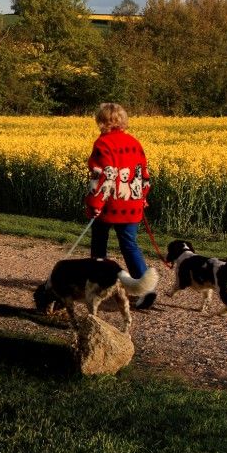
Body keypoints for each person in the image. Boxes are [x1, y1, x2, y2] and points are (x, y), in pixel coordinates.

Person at [85, 102, 157, 309]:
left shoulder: (103, 144)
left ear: (102, 121)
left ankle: (100, 285)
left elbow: (102, 177)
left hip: (109, 204)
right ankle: (146, 288)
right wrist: (142, 196)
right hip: (132, 202)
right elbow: (143, 173)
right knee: (129, 244)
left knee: (99, 244)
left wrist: (95, 203)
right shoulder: (134, 142)